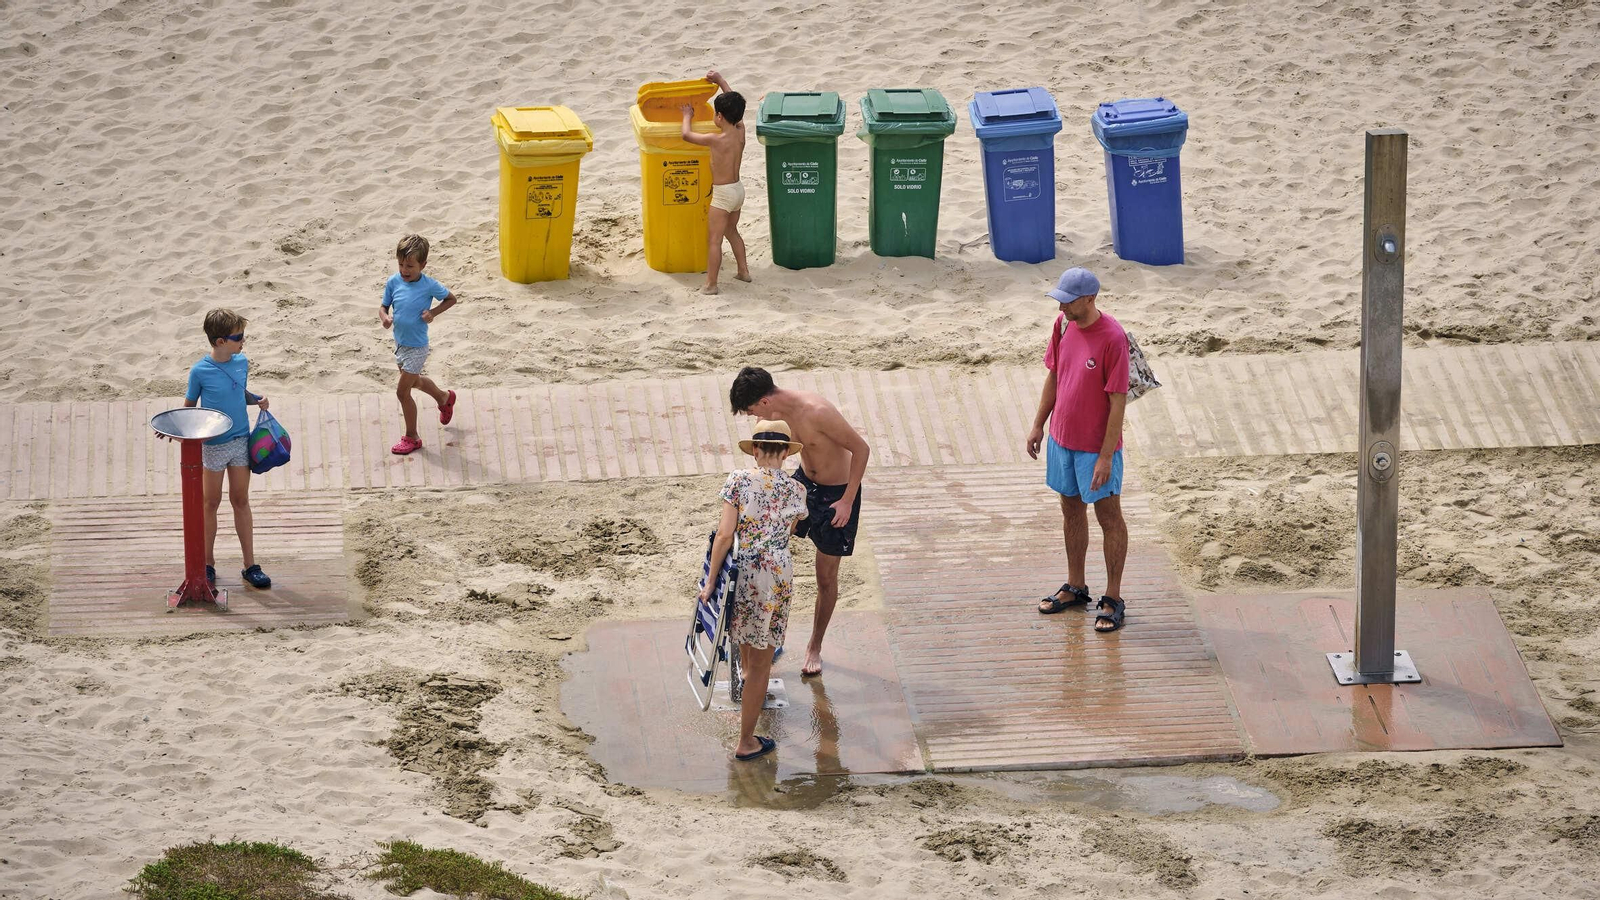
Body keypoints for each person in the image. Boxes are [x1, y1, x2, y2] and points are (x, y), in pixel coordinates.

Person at [728, 366, 870, 676]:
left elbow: (861, 449)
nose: (753, 418)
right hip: (804, 484)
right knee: (766, 553)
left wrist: (846, 500)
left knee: (825, 578)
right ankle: (764, 634)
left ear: (765, 401)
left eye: (752, 410)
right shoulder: (771, 419)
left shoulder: (817, 412)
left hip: (838, 494)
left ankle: (814, 646)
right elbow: (768, 460)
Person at [1026, 267, 1129, 632]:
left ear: (1090, 299)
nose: (1061, 308)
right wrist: (1039, 424)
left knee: (1109, 517)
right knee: (1071, 509)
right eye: (1060, 301)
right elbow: (1054, 375)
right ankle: (1077, 586)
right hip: (1061, 440)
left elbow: (1118, 401)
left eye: (1068, 302)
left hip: (1096, 449)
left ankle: (1113, 597)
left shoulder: (1113, 338)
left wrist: (1105, 456)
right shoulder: (1063, 326)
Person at [701, 419, 809, 761]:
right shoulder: (797, 491)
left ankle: (748, 712)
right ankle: (746, 739)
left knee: (747, 649)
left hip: (745, 570)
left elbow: (724, 535)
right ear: (786, 454)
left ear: (757, 450)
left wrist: (710, 580)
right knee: (762, 661)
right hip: (778, 573)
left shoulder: (738, 480)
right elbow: (788, 530)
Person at [178, 308, 272, 590]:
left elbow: (238, 392)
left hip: (241, 440)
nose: (243, 341)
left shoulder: (241, 362)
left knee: (241, 501)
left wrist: (256, 399)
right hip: (214, 445)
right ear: (220, 341)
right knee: (210, 503)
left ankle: (250, 565)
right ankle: (207, 565)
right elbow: (189, 408)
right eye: (238, 337)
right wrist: (178, 433)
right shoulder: (199, 371)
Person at [380, 234, 458, 455]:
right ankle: (444, 398)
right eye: (401, 264)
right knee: (415, 383)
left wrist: (432, 313)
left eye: (410, 266)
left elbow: (451, 299)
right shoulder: (394, 281)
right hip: (400, 345)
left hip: (417, 347)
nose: (405, 270)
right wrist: (384, 318)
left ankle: (412, 437)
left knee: (402, 392)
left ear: (423, 265)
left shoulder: (429, 285)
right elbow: (383, 307)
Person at [679, 69, 751, 295]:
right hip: (738, 190)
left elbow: (686, 136)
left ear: (719, 117)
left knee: (715, 240)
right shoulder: (740, 131)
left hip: (722, 194)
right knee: (733, 231)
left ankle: (711, 284)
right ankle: (743, 271)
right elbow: (736, 110)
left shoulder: (715, 139)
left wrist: (687, 116)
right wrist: (720, 81)